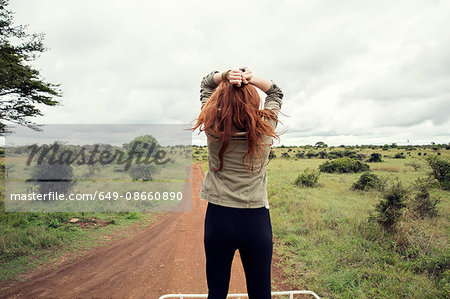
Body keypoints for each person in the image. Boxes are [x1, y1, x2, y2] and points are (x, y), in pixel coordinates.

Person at [191, 67, 283, 299]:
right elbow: (276, 92)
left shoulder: (213, 127)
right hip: (256, 221)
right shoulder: (266, 128)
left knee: (217, 292)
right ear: (254, 103)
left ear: (220, 101)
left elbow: (205, 84)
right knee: (261, 294)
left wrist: (225, 77)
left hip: (219, 220)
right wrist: (251, 79)